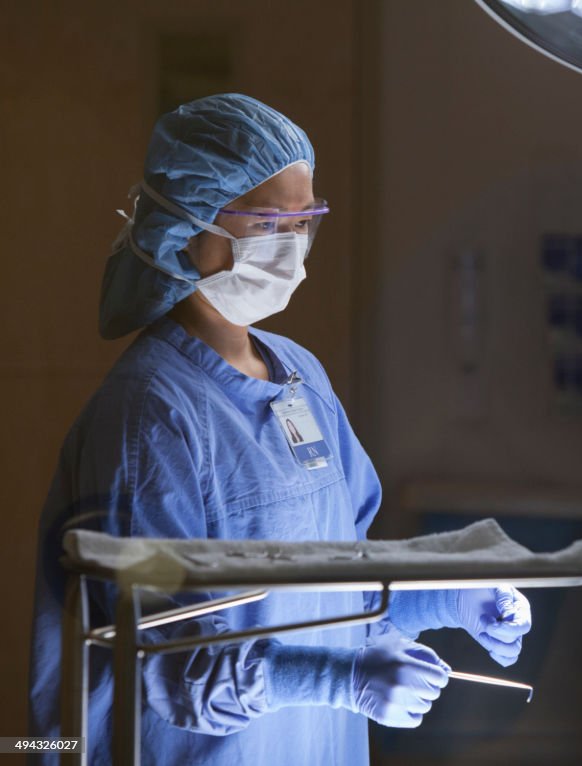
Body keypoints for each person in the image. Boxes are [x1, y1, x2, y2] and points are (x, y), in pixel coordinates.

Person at [29, 94, 532, 765]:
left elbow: (341, 587)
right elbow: (166, 657)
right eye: (268, 222)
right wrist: (340, 679)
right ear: (186, 225)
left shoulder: (298, 375)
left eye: (304, 221)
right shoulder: (149, 418)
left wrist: (453, 596)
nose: (291, 246)